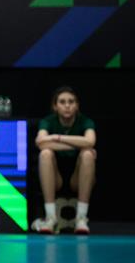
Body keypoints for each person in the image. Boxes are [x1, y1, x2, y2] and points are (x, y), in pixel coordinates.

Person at [31, 86, 96, 235]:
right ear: (55, 106)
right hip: (56, 178)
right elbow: (40, 143)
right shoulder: (48, 121)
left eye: (71, 102)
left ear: (77, 105)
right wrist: (79, 144)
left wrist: (57, 137)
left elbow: (90, 141)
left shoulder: (85, 121)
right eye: (62, 102)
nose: (67, 106)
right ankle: (51, 218)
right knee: (45, 153)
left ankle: (81, 219)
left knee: (87, 154)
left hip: (77, 178)